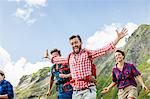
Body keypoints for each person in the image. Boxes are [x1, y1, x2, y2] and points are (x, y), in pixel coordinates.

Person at [49, 28, 128, 99]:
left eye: (76, 42)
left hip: (88, 90)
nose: (74, 45)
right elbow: (56, 59)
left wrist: (117, 39)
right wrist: (48, 57)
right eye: (72, 44)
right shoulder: (69, 57)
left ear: (81, 43)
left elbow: (103, 50)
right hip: (76, 92)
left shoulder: (87, 53)